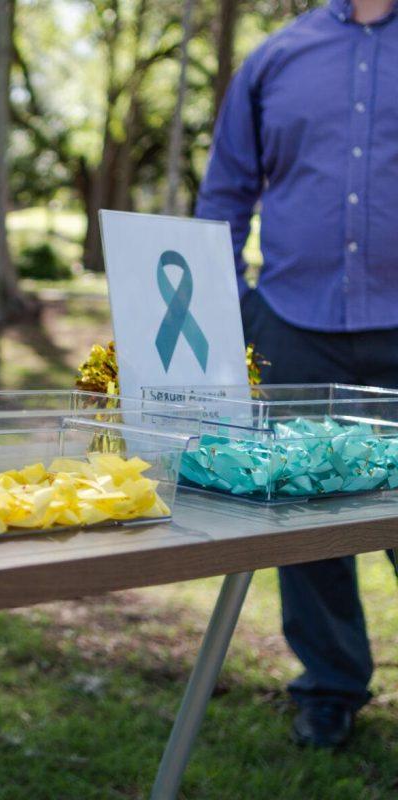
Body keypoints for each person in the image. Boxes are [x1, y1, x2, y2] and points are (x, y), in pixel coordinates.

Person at [197, 0, 398, 749]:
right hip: (294, 323)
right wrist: (238, 309)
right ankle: (332, 686)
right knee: (311, 521)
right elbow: (225, 195)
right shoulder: (275, 59)